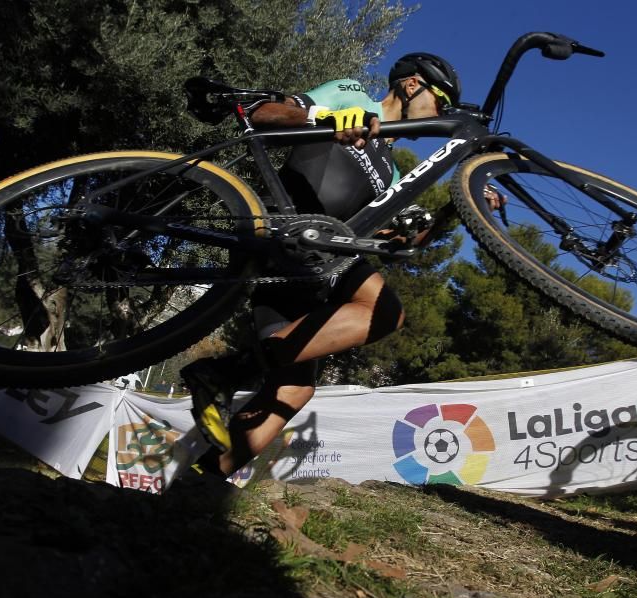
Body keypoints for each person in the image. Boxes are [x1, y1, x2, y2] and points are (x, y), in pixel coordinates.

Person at [180, 54, 504, 480]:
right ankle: (223, 372)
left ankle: (197, 484)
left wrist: (456, 211)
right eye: (440, 101)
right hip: (291, 236)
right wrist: (325, 119)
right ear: (412, 86)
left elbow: (402, 242)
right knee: (386, 311)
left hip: (325, 262)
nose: (441, 114)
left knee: (294, 389)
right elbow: (265, 112)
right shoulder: (352, 96)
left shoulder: (390, 172)